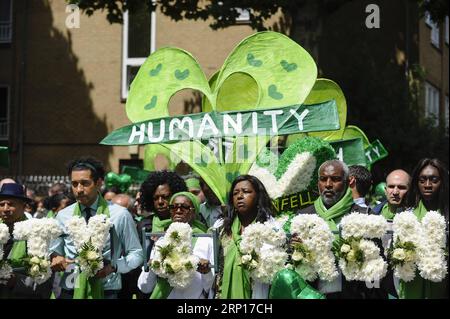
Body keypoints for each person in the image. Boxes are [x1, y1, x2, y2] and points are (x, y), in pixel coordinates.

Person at [49, 157, 143, 299]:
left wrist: (113, 267)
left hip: (107, 289)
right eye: (74, 184)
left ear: (99, 183)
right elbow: (54, 250)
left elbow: (136, 254)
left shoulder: (119, 215)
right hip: (71, 287)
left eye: (85, 183)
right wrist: (56, 257)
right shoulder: (63, 215)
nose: (79, 189)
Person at [295, 160, 390, 299]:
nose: (328, 184)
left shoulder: (365, 216)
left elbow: (378, 265)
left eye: (335, 179)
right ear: (318, 183)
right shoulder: (304, 216)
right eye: (323, 179)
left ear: (349, 182)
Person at [137, 192, 213, 298]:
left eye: (184, 207)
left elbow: (211, 288)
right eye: (173, 207)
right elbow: (144, 287)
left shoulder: (206, 241)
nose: (178, 211)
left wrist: (206, 272)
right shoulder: (161, 241)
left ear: (194, 211)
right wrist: (151, 267)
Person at [213, 174, 274, 299]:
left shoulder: (270, 228)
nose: (240, 196)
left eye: (246, 192)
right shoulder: (221, 227)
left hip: (257, 291)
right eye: (235, 193)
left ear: (258, 196)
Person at [399, 158, 449, 299]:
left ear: (443, 182)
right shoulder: (405, 216)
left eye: (434, 180)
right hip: (410, 286)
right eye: (422, 180)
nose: (427, 185)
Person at [0, 183, 52, 298]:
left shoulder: (36, 232)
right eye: (1, 204)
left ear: (24, 206)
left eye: (10, 204)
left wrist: (15, 281)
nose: (5, 209)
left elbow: (43, 281)